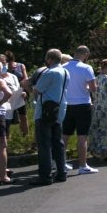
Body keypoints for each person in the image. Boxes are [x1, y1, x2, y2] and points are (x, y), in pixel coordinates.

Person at [30, 49, 70, 185]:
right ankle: (61, 172)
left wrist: (30, 87)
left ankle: (45, 175)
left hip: (46, 110)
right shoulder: (65, 71)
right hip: (59, 109)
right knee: (58, 143)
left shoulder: (50, 72)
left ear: (49, 59)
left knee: (44, 144)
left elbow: (38, 89)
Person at [62, 45, 98, 175]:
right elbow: (93, 88)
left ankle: (61, 163)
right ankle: (82, 165)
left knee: (65, 135)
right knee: (82, 136)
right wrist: (85, 88)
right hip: (82, 104)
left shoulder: (63, 67)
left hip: (67, 104)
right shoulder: (87, 68)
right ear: (86, 54)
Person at [0, 54, 25, 178]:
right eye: (0, 63)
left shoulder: (13, 76)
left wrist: (22, 94)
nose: (3, 65)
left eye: (4, 63)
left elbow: (17, 89)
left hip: (10, 110)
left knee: (5, 139)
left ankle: (2, 166)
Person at [4, 50, 29, 135]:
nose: (9, 65)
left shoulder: (20, 66)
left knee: (23, 115)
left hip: (20, 93)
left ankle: (25, 134)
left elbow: (25, 79)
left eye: (10, 62)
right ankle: (7, 135)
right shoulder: (3, 68)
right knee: (7, 115)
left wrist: (22, 90)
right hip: (7, 94)